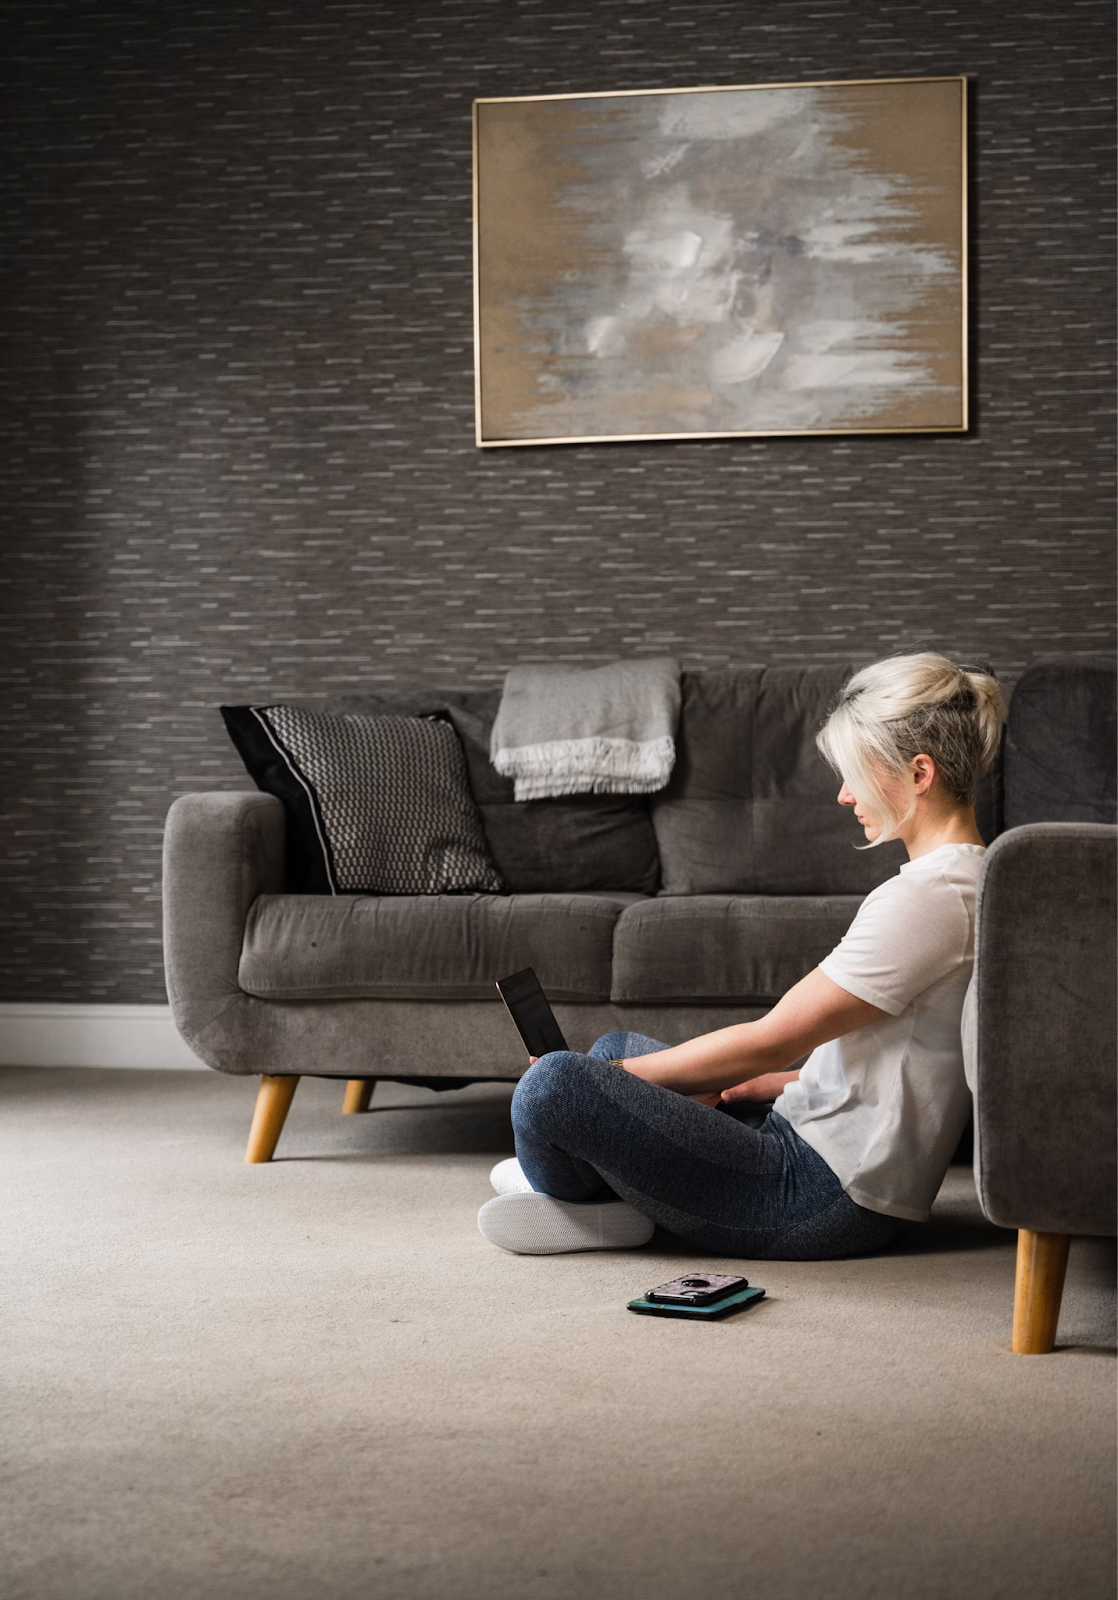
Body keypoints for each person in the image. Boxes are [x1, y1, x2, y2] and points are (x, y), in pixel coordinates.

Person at [477, 653, 1006, 1260]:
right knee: (614, 1048)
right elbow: (908, 1060)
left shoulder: (930, 896)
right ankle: (608, 1201)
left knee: (554, 1085)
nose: (842, 795)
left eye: (856, 773)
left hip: (819, 1194)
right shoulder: (965, 880)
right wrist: (759, 1086)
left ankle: (579, 1205)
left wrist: (616, 1086)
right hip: (803, 1137)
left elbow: (771, 1037)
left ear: (919, 773)